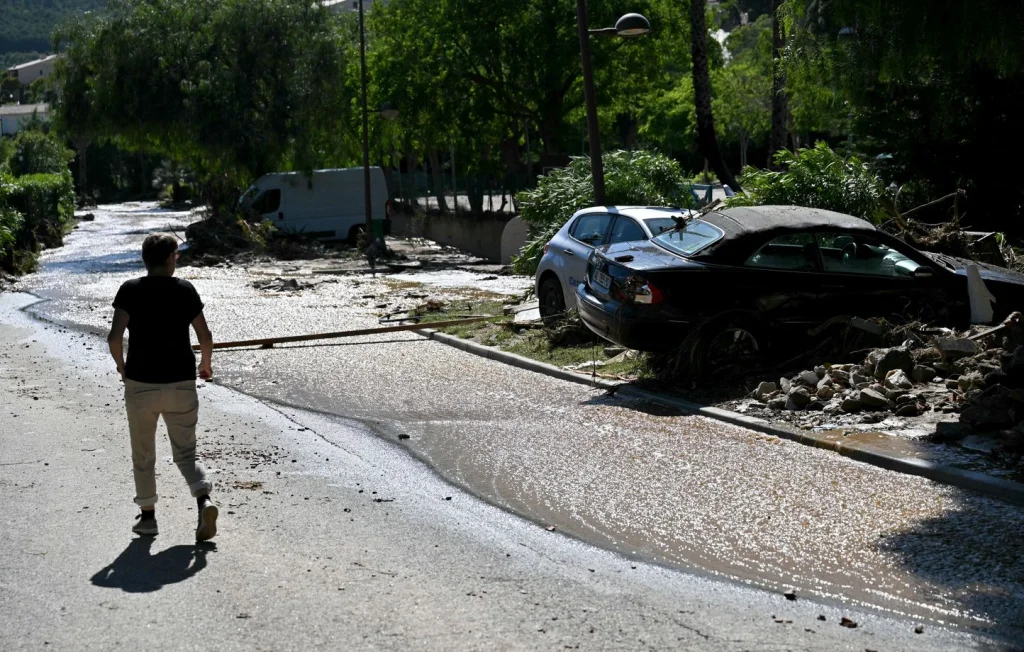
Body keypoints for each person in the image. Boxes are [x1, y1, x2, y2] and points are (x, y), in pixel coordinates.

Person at [107, 234, 218, 541]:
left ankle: (148, 518)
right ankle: (203, 499)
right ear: (169, 258)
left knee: (143, 454)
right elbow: (205, 335)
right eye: (176, 256)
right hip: (181, 383)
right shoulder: (184, 290)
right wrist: (205, 365)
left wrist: (122, 366)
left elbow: (114, 338)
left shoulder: (129, 290)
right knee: (186, 453)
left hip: (141, 383)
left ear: (145, 259)